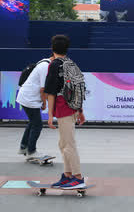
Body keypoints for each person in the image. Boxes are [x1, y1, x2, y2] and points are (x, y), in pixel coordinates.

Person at [44, 34, 87, 189]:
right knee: (63, 143)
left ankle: (78, 177)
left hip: (63, 107)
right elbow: (78, 89)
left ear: (52, 48)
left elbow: (50, 92)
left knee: (68, 144)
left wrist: (49, 115)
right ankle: (67, 175)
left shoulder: (54, 65)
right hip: (72, 107)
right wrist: (80, 110)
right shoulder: (71, 63)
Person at [15, 58, 50, 159]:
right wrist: (44, 103)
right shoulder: (45, 66)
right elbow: (43, 89)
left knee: (33, 122)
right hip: (29, 98)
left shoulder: (44, 62)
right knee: (38, 125)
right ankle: (31, 151)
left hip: (28, 97)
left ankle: (23, 147)